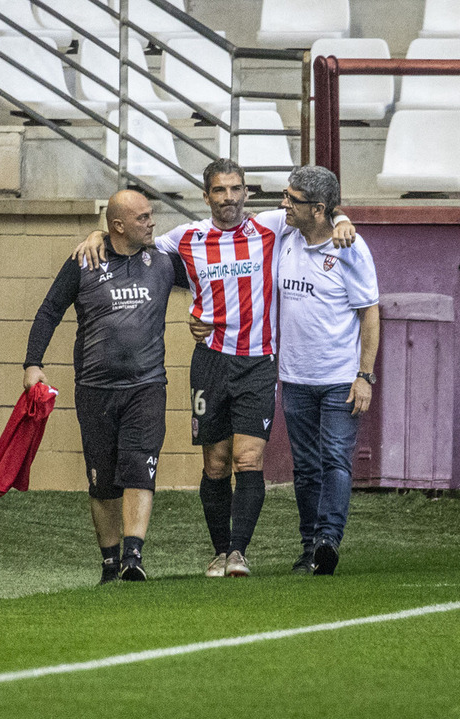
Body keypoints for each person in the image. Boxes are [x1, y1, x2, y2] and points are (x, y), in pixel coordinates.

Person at [75, 158, 355, 578]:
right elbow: (133, 242)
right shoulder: (185, 238)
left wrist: (343, 216)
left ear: (246, 192)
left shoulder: (270, 227)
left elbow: (316, 206)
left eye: (236, 189)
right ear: (206, 196)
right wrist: (100, 230)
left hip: (259, 360)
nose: (229, 198)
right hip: (210, 361)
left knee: (248, 460)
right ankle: (220, 551)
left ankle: (239, 553)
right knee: (216, 465)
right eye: (220, 191)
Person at [25, 190, 185, 584]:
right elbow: (49, 310)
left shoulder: (164, 262)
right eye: (143, 218)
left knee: (139, 468)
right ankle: (110, 563)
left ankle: (134, 555)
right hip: (95, 388)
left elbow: (216, 281)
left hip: (147, 385)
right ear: (117, 226)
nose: (152, 223)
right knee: (102, 481)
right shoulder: (84, 260)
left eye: (151, 215)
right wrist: (33, 363)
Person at [277, 166, 378, 575]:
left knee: (335, 458)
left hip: (339, 379)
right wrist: (341, 216)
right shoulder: (285, 236)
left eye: (291, 198)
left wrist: (365, 375)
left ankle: (327, 540)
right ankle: (308, 546)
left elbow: (370, 313)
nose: (283, 204)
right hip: (295, 377)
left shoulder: (351, 249)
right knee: (305, 466)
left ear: (317, 209)